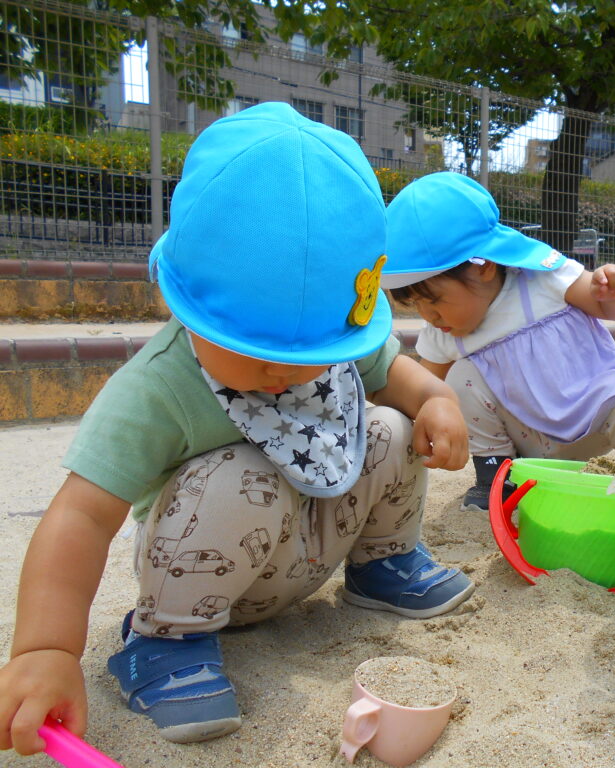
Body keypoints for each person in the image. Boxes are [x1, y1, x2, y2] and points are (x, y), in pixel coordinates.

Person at [0, 103, 475, 755]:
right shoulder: (158, 387)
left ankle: (383, 566)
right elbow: (80, 515)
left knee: (391, 426)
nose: (288, 375)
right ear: (185, 304)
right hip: (202, 581)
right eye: (258, 354)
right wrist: (46, 647)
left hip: (313, 550)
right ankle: (162, 646)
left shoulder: (328, 339)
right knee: (242, 474)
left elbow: (394, 371)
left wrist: (437, 400)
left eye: (311, 356)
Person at [381, 172, 615, 510]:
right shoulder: (444, 333)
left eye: (434, 300)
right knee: (459, 379)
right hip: (529, 445)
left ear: (482, 267)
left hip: (597, 414)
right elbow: (421, 390)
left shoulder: (544, 280)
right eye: (415, 305)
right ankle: (496, 481)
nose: (428, 316)